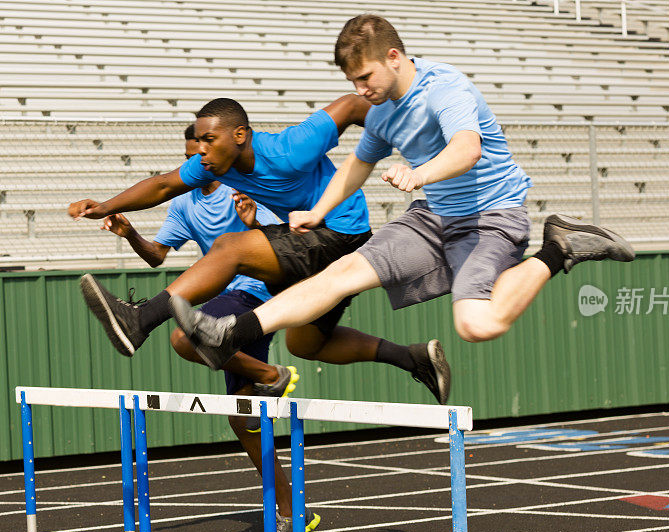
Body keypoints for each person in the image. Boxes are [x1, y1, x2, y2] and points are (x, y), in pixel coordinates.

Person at [166, 14, 635, 371]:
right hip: (431, 218)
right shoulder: (383, 111)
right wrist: (317, 211)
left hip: (490, 215)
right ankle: (227, 333)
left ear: (394, 57)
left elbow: (467, 148)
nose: (360, 90)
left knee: (477, 325)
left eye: (365, 77)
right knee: (343, 272)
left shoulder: (443, 88)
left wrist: (421, 174)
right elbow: (357, 163)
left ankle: (560, 247)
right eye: (352, 82)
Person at [67, 94, 451, 406]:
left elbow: (351, 104)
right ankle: (413, 358)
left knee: (231, 247)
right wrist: (106, 206)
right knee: (305, 343)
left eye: (208, 140)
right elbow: (164, 186)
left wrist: (412, 139)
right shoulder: (211, 166)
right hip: (311, 238)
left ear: (239, 135)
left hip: (339, 231)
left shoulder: (290, 148)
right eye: (197, 142)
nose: (200, 151)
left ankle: (141, 321)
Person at [96, 123, 315, 532]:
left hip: (256, 295)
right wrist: (130, 234)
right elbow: (159, 254)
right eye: (194, 156)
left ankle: (273, 373)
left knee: (182, 338)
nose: (201, 161)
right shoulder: (184, 204)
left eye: (205, 152)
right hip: (221, 307)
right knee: (243, 419)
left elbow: (286, 243)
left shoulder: (245, 183)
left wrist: (255, 221)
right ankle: (295, 511)